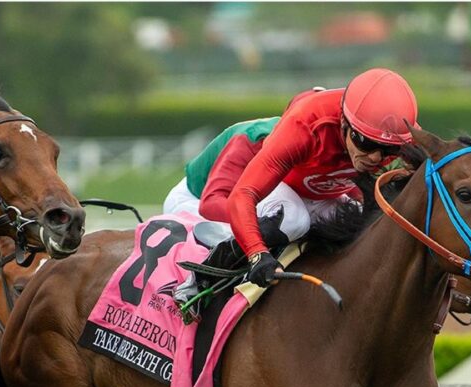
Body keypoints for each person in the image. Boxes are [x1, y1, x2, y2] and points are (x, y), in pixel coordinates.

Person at [163, 67, 420, 288]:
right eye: (364, 143)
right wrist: (257, 253)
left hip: (281, 195)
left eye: (388, 150)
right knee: (294, 218)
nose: (375, 158)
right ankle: (198, 285)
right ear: (343, 123)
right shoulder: (263, 138)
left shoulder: (377, 135)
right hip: (195, 204)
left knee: (354, 217)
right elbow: (215, 203)